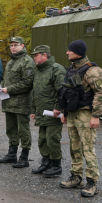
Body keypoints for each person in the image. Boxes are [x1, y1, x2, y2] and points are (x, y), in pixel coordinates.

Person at [59, 40, 102, 197]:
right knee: (74, 147)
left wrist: (96, 116)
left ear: (78, 52)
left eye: (69, 50)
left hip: (86, 114)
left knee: (87, 149)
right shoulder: (72, 69)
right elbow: (67, 93)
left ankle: (92, 182)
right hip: (73, 114)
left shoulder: (92, 71)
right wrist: (65, 113)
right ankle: (76, 176)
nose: (67, 52)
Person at [0, 37, 35, 168]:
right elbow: (6, 79)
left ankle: (24, 157)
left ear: (23, 45)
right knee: (11, 129)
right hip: (9, 102)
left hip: (21, 103)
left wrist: (9, 89)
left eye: (16, 45)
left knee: (23, 130)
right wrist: (0, 87)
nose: (13, 47)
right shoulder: (11, 61)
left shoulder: (27, 61)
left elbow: (27, 83)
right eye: (11, 45)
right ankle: (11, 154)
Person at [29, 45, 66, 177]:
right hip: (41, 112)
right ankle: (46, 163)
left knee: (52, 139)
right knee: (42, 139)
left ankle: (56, 165)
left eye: (36, 55)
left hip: (53, 113)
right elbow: (35, 92)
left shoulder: (56, 69)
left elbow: (61, 91)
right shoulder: (38, 71)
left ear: (44, 55)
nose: (34, 58)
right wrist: (33, 110)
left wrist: (58, 107)